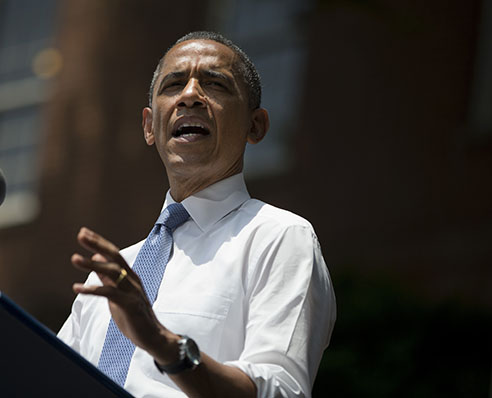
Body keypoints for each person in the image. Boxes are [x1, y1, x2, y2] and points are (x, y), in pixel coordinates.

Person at [58, 31, 336, 398]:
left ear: (256, 126)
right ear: (148, 126)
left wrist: (162, 343)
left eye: (215, 84)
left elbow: (281, 392)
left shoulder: (279, 236)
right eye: (174, 85)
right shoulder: (112, 275)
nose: (190, 95)